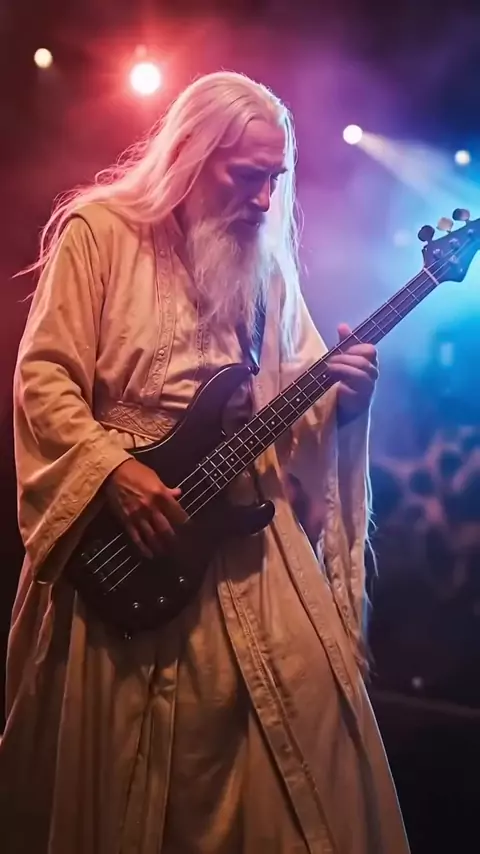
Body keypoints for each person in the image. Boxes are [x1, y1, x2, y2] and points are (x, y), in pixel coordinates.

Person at [0, 71, 410, 853]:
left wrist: (347, 399)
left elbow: (297, 401)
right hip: (120, 541)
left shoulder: (266, 267)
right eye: (248, 176)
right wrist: (112, 472)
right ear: (191, 155)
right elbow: (44, 377)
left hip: (245, 552)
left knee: (313, 748)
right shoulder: (100, 232)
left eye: (275, 179)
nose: (265, 200)